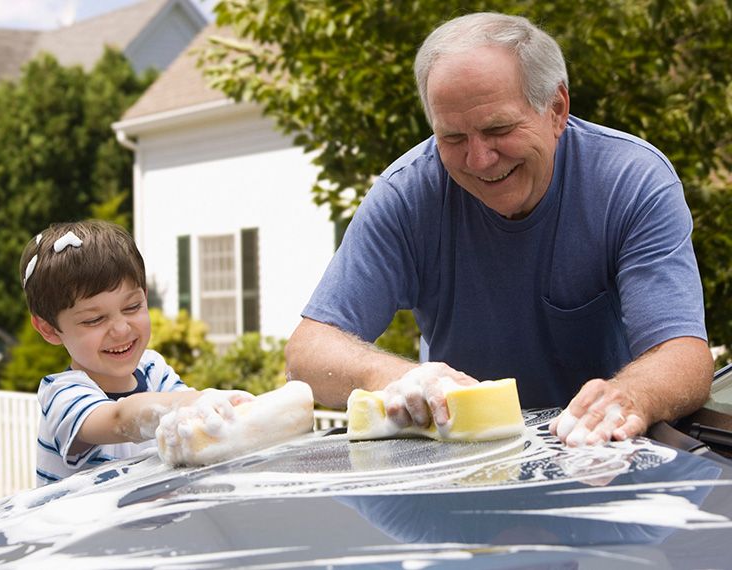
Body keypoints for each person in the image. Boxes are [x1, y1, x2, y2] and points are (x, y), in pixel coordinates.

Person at [285, 12, 713, 446]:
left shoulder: (631, 180)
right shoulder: (407, 194)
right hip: (461, 463)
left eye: (499, 129)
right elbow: (308, 352)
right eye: (452, 138)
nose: (479, 160)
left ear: (557, 110)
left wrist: (631, 395)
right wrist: (400, 377)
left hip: (597, 453)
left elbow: (683, 354)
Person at [20, 220, 254, 485]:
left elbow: (191, 415)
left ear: (144, 296)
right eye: (94, 320)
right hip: (79, 525)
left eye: (132, 307)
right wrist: (194, 402)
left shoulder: (154, 372)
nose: (120, 329)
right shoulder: (62, 394)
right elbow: (119, 419)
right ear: (49, 328)